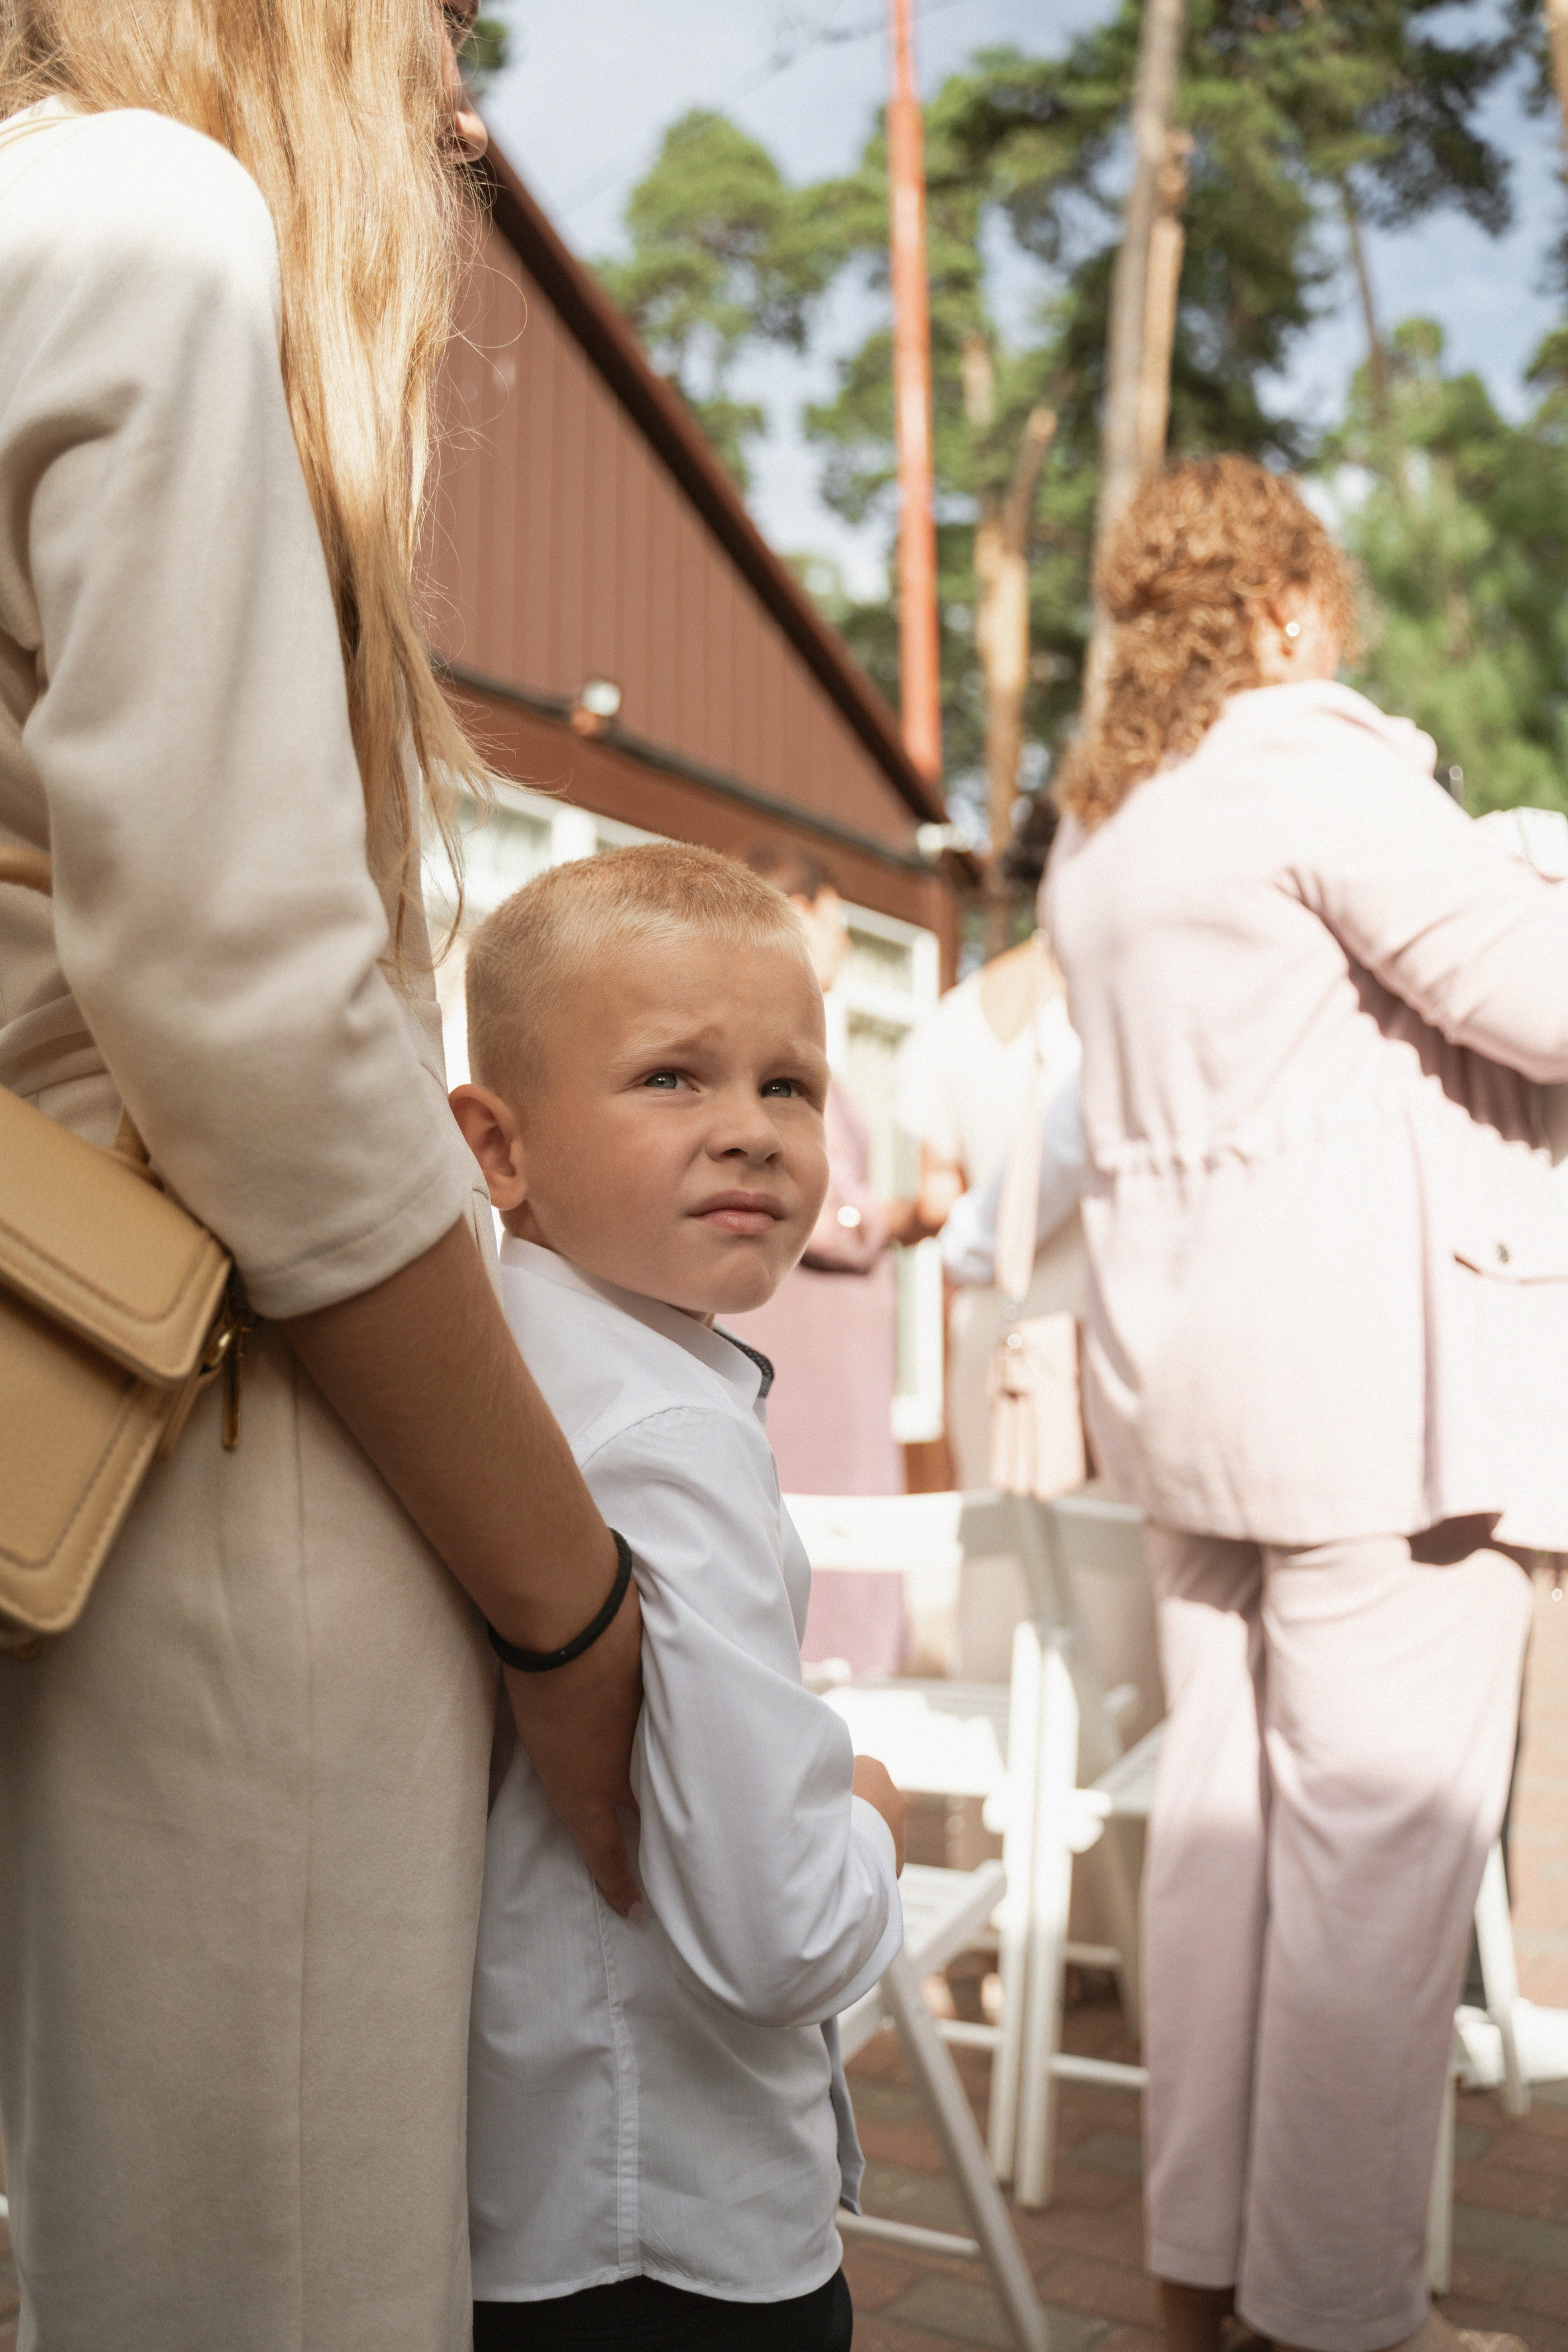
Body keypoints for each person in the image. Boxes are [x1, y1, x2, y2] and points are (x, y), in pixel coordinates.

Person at [0, 9, 639, 2347]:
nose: (464, 118)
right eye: (431, 33)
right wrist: (562, 1611)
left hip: (57, 1405)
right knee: (269, 2266)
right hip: (214, 1449)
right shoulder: (148, 227)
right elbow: (251, 1001)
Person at [1044, 453, 1568, 2352]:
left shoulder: (1097, 834)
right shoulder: (1308, 760)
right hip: (1380, 1402)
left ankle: (1206, 2282)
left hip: (1190, 1401)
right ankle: (1343, 2316)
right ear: (1282, 605)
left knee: (1220, 1860)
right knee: (1370, 1881)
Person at [449, 843, 907, 2352]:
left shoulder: (501, 1354)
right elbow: (778, 1926)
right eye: (671, 1078)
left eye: (789, 1086)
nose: (751, 1133)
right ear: (497, 1149)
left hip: (531, 2184)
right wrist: (874, 1818)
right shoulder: (672, 1435)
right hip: (679, 2224)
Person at [894, 799, 1088, 1490]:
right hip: (1087, 1324)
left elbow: (938, 1195)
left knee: (1000, 1552)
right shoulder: (1100, 998)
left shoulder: (945, 1022)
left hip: (986, 1326)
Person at [727, 845, 927, 1506]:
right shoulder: (766, 1046)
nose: (844, 941)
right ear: (795, 915)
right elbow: (813, 1205)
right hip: (810, 1363)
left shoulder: (788, 1042)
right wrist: (897, 1217)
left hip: (829, 1360)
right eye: (837, 920)